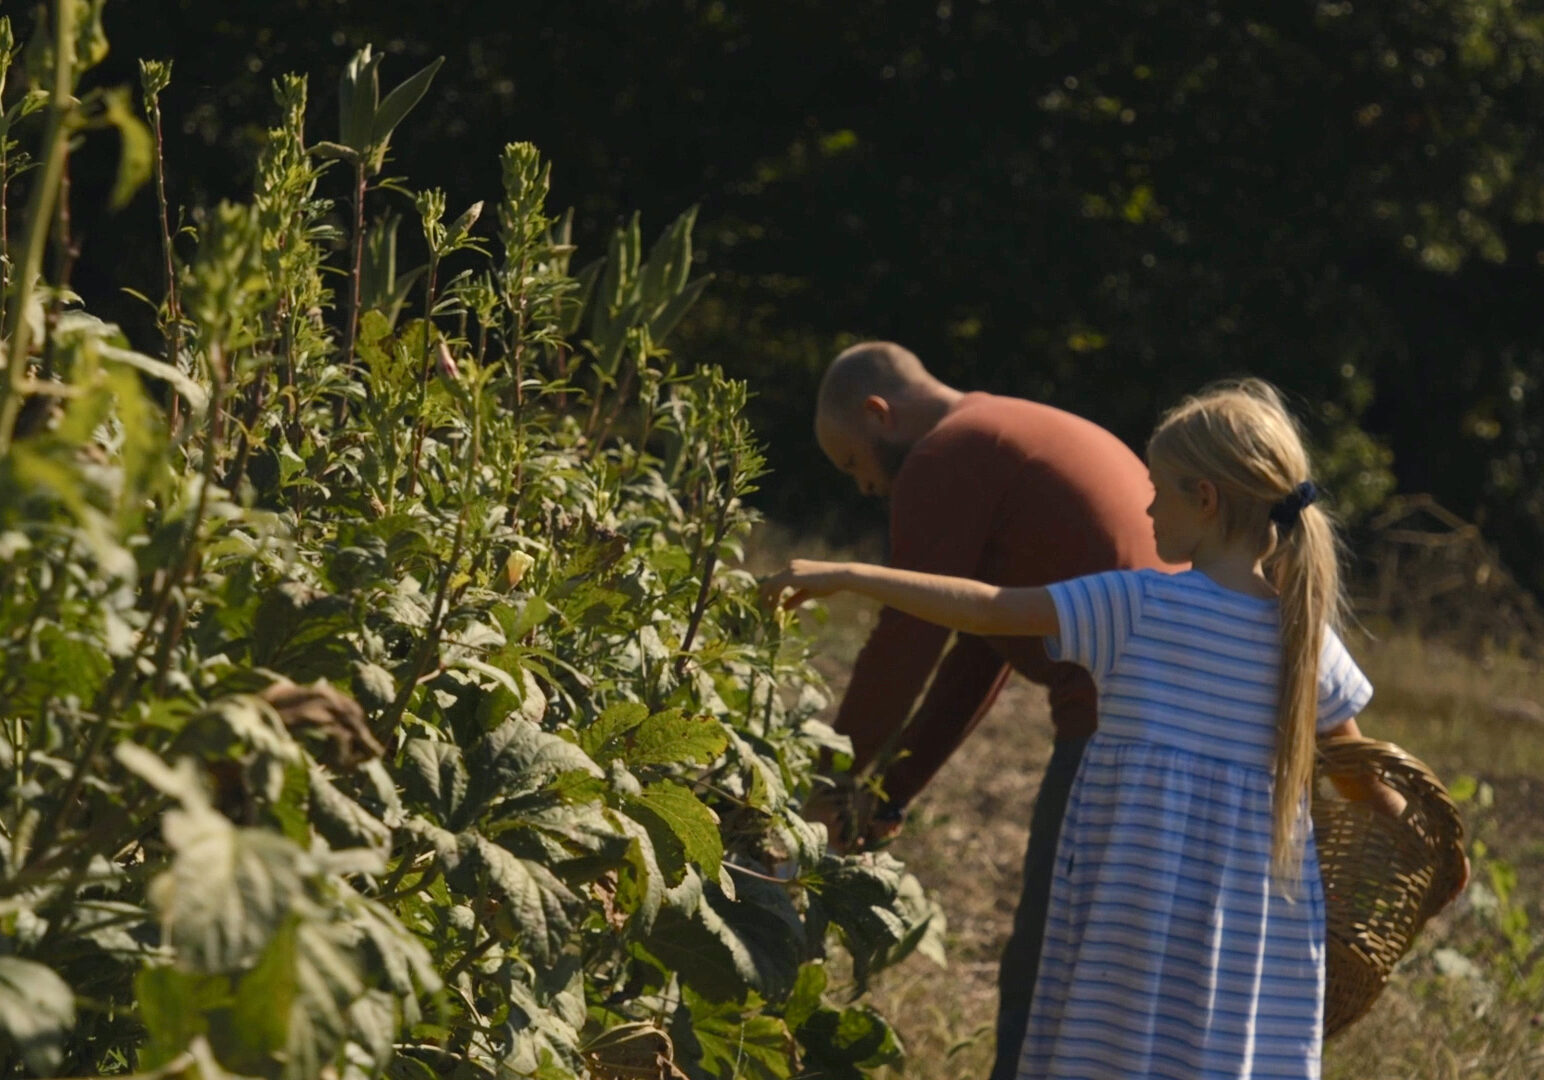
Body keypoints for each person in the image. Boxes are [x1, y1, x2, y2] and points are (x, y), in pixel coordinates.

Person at [765, 378, 1383, 1079]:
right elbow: (1378, 795)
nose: (1146, 506)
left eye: (1158, 490)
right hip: (1245, 937)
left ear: (1204, 501)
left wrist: (850, 574)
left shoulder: (1135, 606)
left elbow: (985, 610)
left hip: (1128, 913)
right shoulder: (1308, 642)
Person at [807, 341, 1169, 1080]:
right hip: (1174, 725)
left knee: (1047, 976)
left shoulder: (951, 453)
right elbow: (982, 647)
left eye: (854, 463)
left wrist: (819, 778)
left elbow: (908, 633)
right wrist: (887, 794)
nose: (868, 488)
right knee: (1113, 979)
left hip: (1118, 733)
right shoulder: (1010, 430)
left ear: (881, 414)